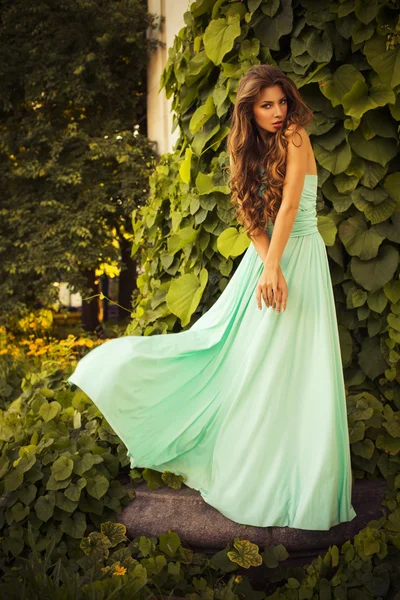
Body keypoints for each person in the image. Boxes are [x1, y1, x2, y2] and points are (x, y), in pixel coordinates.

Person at [67, 64, 357, 530]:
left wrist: (275, 267)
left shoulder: (296, 138)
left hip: (297, 258)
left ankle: (297, 481)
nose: (279, 112)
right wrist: (268, 267)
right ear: (249, 110)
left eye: (282, 101)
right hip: (269, 263)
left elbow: (288, 208)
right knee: (233, 356)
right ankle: (119, 371)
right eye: (267, 105)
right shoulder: (247, 147)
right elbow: (250, 212)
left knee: (293, 368)